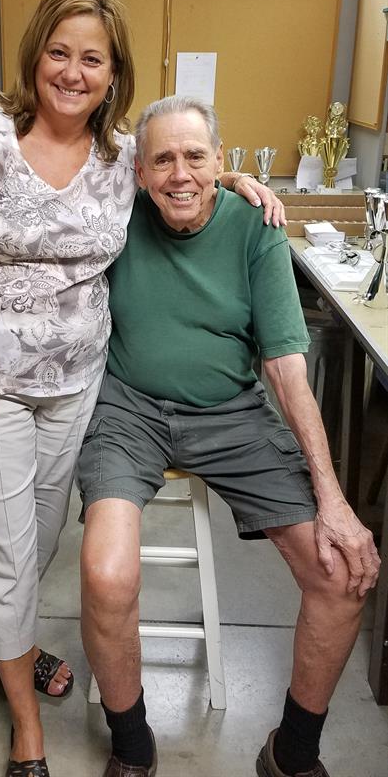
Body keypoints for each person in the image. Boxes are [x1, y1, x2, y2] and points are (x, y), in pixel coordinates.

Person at [0, 0, 283, 777]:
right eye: (59, 52)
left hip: (76, 388)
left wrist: (233, 185)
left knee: (36, 542)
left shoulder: (118, 158)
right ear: (34, 55)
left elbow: (176, 177)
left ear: (114, 74)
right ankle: (26, 727)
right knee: (2, 554)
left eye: (92, 59)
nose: (72, 72)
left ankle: (9, 648)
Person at [78, 95, 381, 777]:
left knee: (339, 575)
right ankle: (131, 745)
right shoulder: (114, 212)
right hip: (127, 415)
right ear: (138, 171)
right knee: (105, 572)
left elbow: (285, 368)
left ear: (220, 159)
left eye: (196, 156)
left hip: (231, 414)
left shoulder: (256, 227)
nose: (180, 174)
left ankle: (291, 752)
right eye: (162, 159)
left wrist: (332, 499)